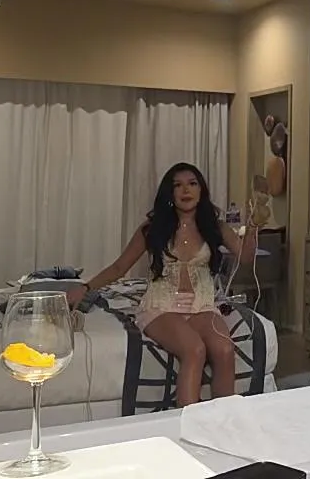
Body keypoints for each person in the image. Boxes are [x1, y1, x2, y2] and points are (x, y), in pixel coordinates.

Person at [68, 162, 256, 406]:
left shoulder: (215, 227)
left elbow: (246, 257)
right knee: (194, 350)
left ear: (201, 190)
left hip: (201, 305)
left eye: (192, 184)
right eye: (178, 185)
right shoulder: (153, 229)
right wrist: (85, 288)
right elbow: (119, 268)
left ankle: (223, 421)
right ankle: (186, 423)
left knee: (225, 350)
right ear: (170, 193)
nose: (185, 190)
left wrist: (254, 225)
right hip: (162, 306)